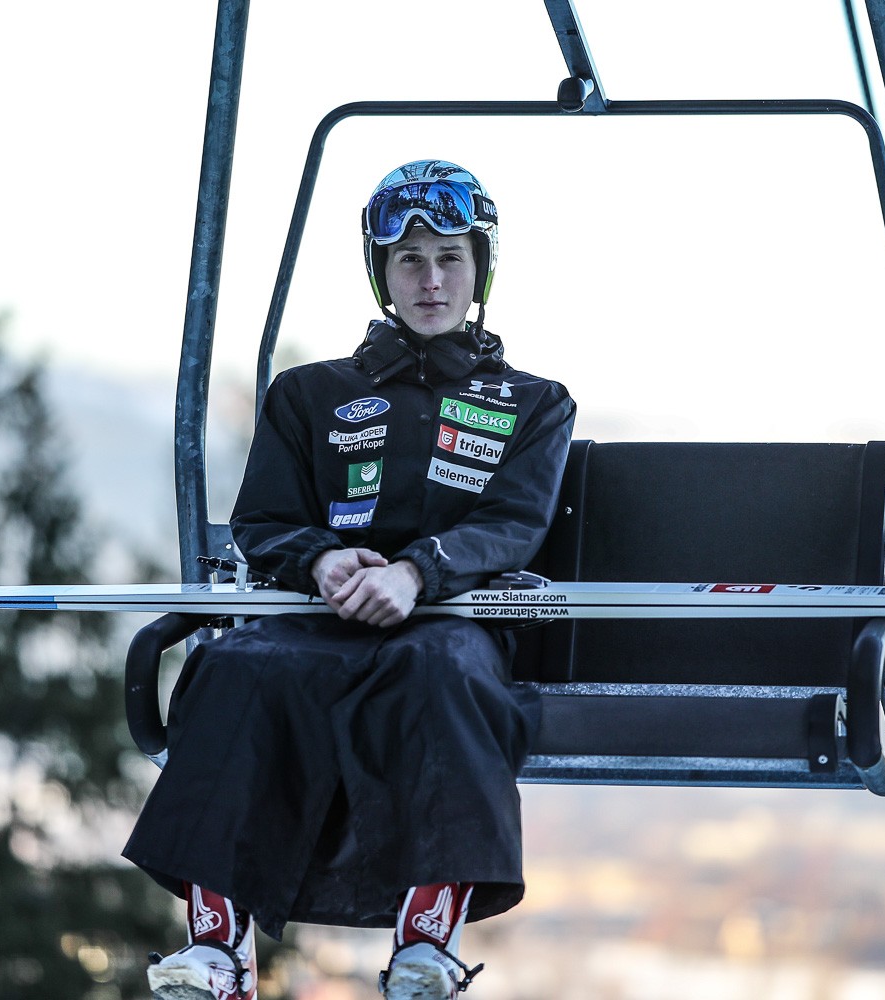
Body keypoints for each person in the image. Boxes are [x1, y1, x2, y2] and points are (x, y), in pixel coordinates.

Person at [123, 159, 577, 1000]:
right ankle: (217, 948)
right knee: (235, 665)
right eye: (410, 260)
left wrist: (418, 572)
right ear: (382, 273)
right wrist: (322, 560)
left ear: (480, 269)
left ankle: (426, 944)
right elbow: (265, 520)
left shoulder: (532, 403)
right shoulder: (310, 394)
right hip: (317, 617)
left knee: (440, 674)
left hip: (453, 620)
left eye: (450, 258)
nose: (431, 280)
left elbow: (514, 522)